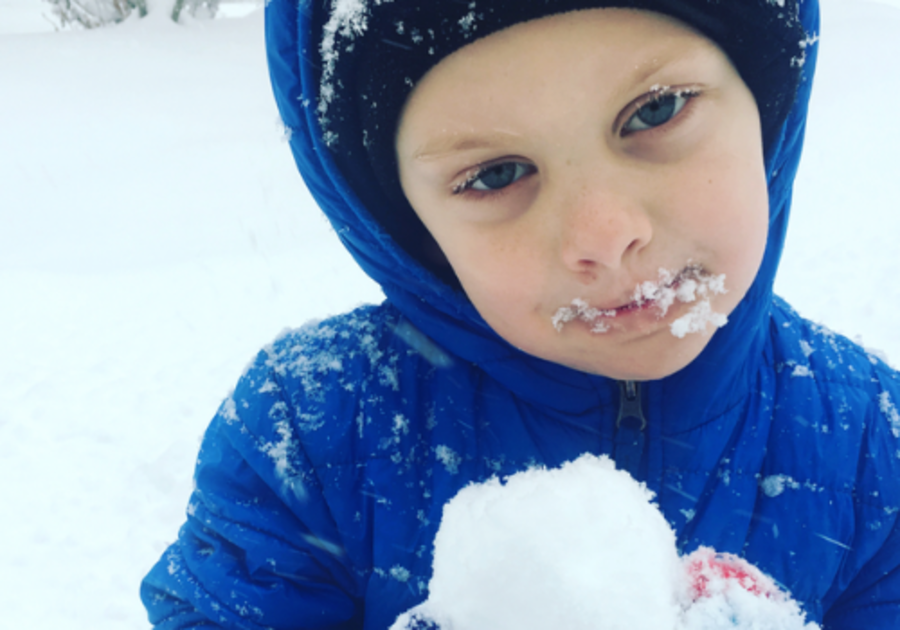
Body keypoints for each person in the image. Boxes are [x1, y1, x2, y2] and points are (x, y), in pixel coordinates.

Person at [141, 0, 900, 628]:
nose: (604, 236)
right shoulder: (305, 437)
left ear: (767, 101)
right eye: (496, 174)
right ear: (408, 230)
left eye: (654, 111)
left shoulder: (872, 441)